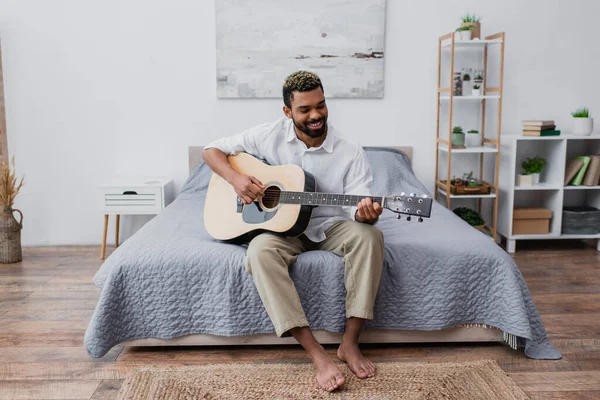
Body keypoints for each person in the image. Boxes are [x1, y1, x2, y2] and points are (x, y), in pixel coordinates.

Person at [203, 70, 384, 392]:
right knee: (259, 252)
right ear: (288, 112)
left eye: (321, 105)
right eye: (305, 109)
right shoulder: (267, 135)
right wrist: (235, 179)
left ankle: (350, 342)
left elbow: (359, 213)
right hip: (281, 229)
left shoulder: (350, 151)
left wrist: (367, 215)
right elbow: (211, 151)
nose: (316, 115)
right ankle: (317, 354)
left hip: (330, 225)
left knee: (371, 237)